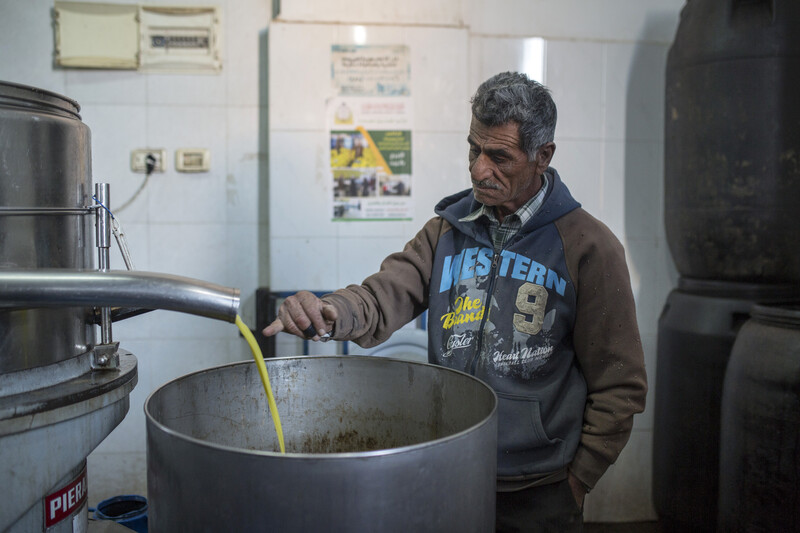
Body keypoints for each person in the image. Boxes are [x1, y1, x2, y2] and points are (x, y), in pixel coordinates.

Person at [263, 71, 648, 532]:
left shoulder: (589, 247)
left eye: (499, 156)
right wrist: (331, 312)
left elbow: (620, 385)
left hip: (539, 488)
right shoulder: (448, 230)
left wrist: (578, 479)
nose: (478, 169)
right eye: (473, 149)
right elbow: (382, 296)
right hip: (447, 469)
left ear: (542, 156)